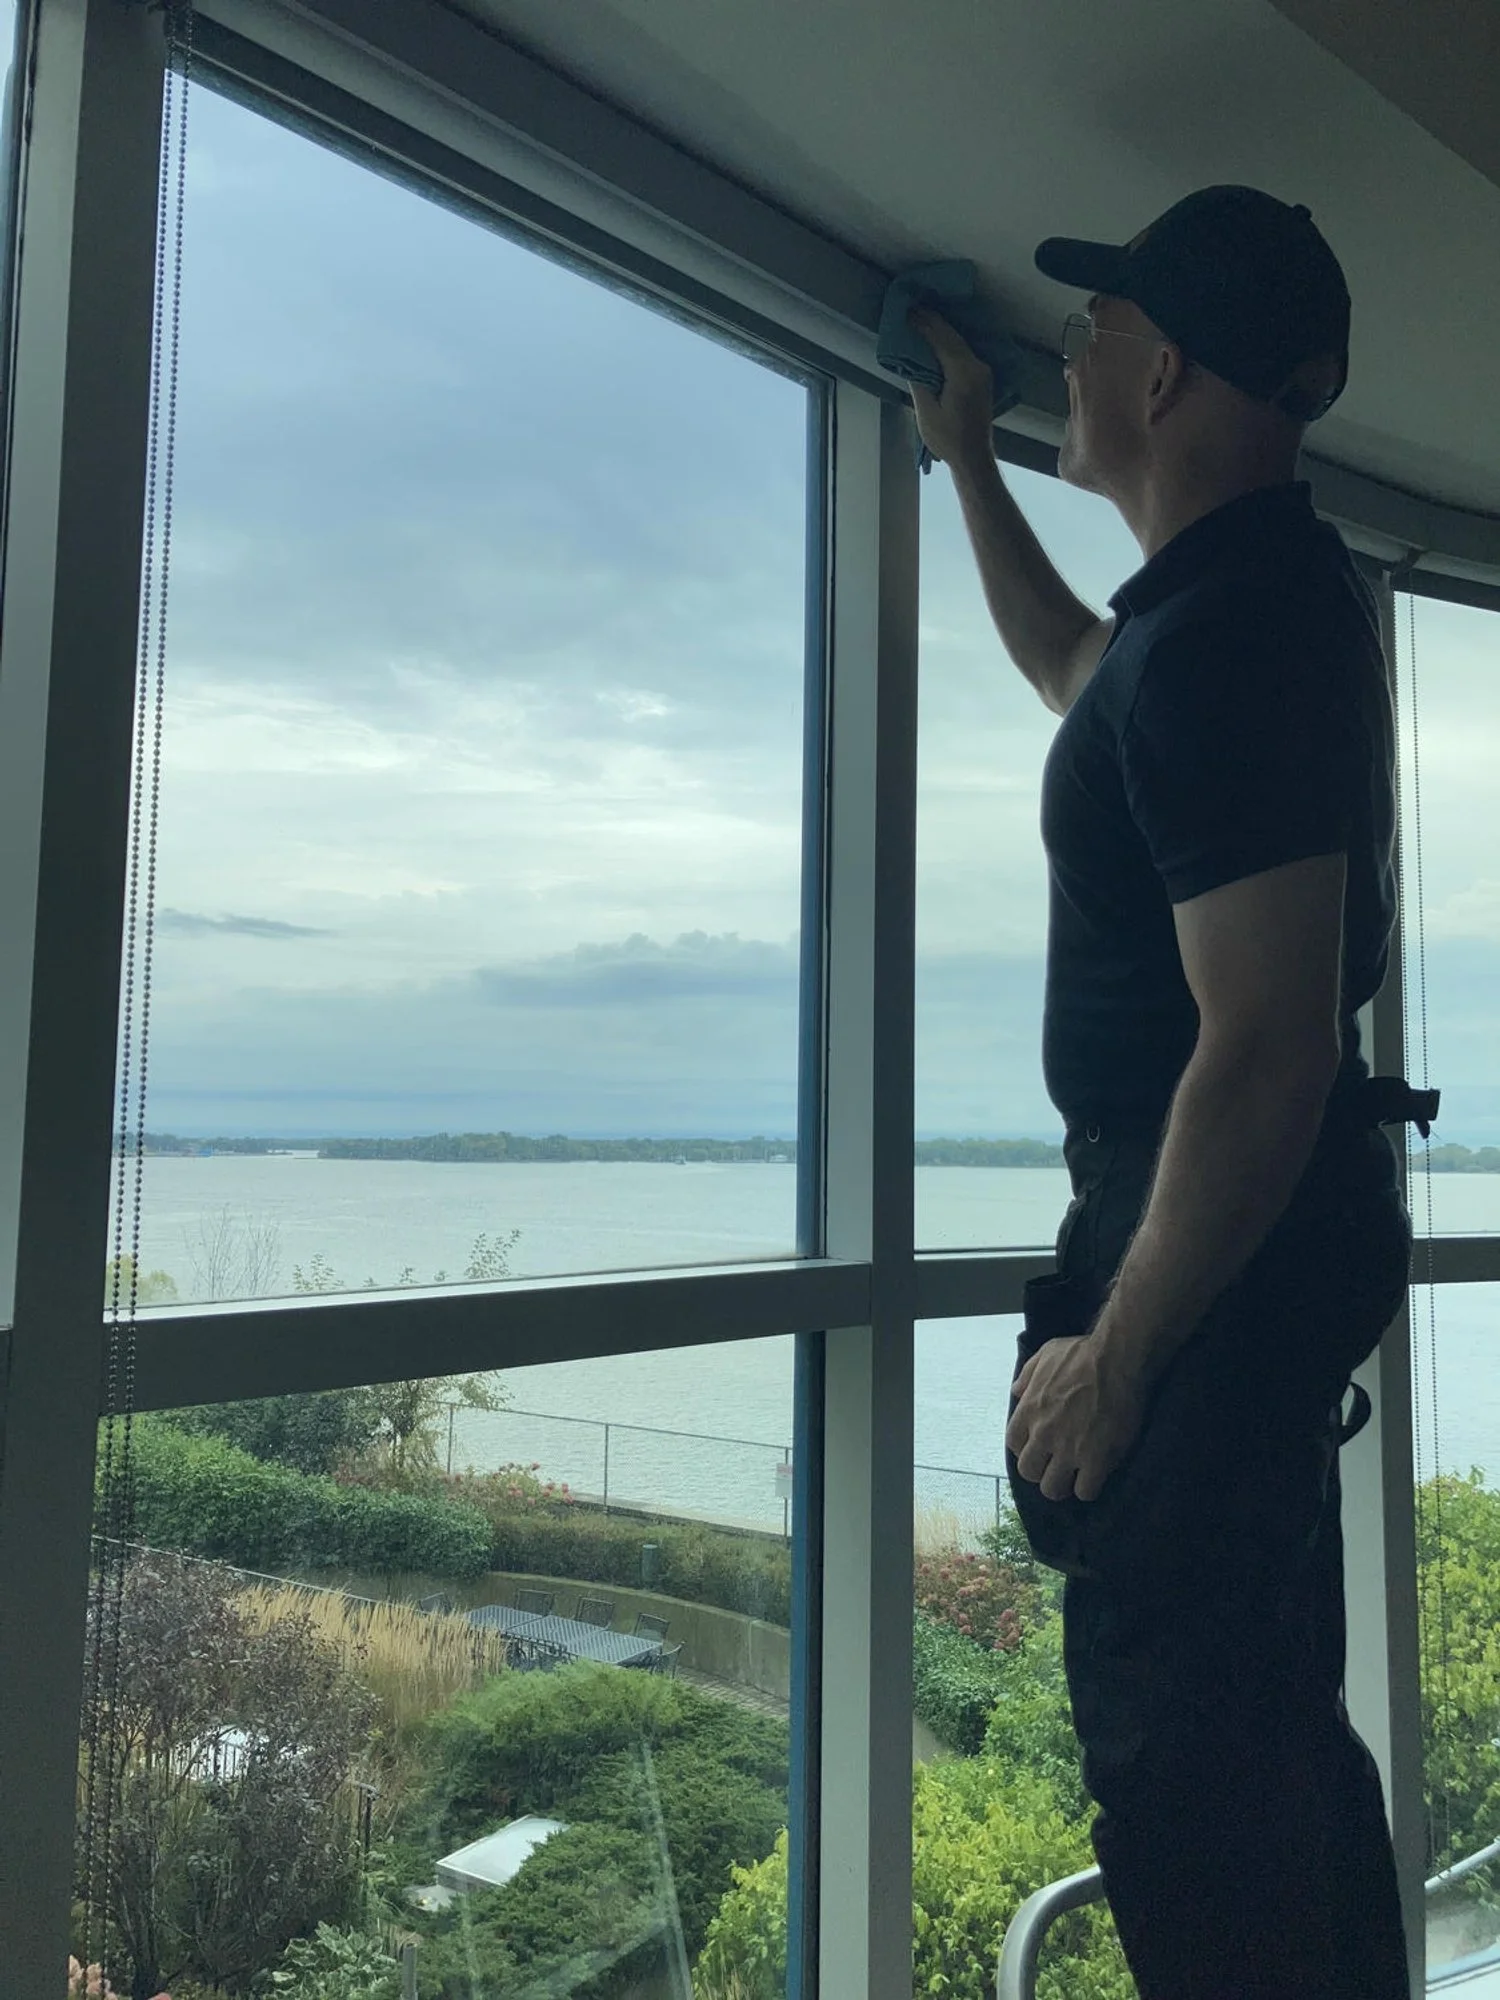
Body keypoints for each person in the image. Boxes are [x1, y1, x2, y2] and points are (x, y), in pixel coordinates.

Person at [909, 186, 1433, 2000]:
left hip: (1209, 1229)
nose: (1075, 348)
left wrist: (1119, 1356)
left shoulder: (1240, 636)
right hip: (1238, 1225)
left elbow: (1272, 1041)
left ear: (1171, 369)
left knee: (1199, 1778)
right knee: (1267, 1744)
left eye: (1099, 324)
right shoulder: (1221, 615)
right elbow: (1078, 675)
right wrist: (968, 465)